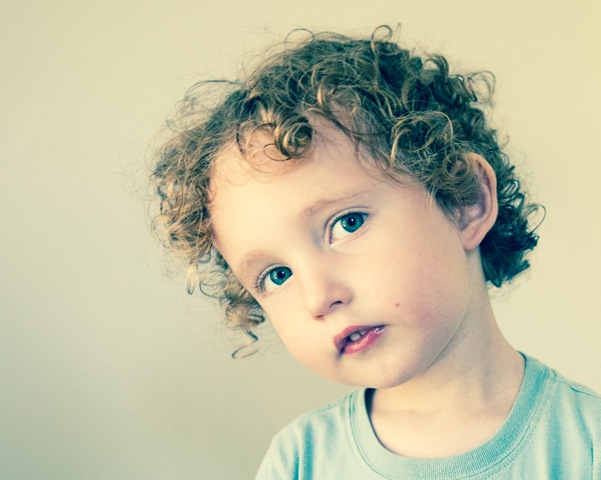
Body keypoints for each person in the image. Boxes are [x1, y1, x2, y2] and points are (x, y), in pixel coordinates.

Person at [150, 26, 601, 479]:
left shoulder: (586, 444)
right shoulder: (299, 461)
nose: (318, 297)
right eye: (278, 275)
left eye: (347, 224)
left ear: (465, 201)